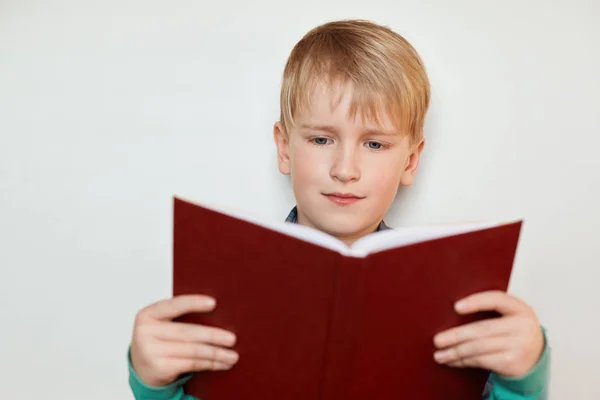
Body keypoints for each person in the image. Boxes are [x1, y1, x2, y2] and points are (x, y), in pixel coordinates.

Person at [127, 19, 550, 400]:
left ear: (410, 160)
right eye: (321, 139)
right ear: (283, 147)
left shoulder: (455, 303)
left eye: (375, 144)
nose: (345, 169)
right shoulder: (224, 295)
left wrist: (522, 379)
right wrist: (155, 386)